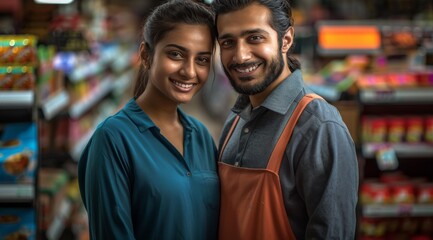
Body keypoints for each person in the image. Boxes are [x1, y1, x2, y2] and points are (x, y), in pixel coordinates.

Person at [212, 0, 359, 239]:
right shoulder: (235, 120)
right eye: (228, 42)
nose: (240, 56)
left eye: (255, 38)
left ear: (286, 39)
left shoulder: (319, 127)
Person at [78, 1, 219, 239]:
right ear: (146, 55)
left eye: (202, 59)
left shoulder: (201, 136)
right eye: (176, 54)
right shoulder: (113, 139)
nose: (190, 71)